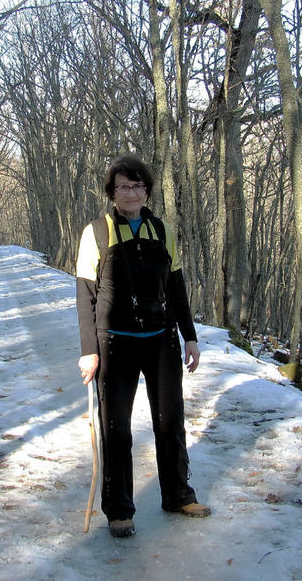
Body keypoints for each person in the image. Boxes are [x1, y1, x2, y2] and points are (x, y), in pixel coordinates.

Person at [75, 154, 210, 538]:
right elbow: (85, 294)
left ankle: (179, 495)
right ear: (112, 192)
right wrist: (90, 349)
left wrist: (190, 336)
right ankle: (119, 510)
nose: (130, 193)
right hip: (114, 344)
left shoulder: (161, 229)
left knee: (170, 423)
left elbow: (177, 285)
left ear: (147, 190)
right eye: (122, 186)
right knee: (116, 429)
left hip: (161, 341)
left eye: (136, 186)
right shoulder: (96, 232)